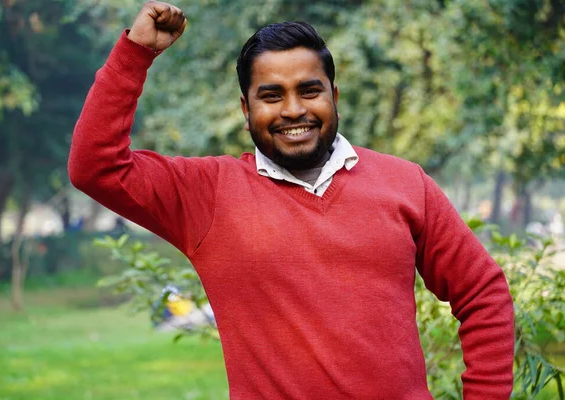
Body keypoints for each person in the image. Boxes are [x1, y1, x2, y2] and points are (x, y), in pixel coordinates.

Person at [68, 2, 514, 398]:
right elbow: (95, 166)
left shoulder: (404, 184)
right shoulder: (206, 193)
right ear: (246, 111)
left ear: (334, 97)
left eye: (309, 90)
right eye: (271, 96)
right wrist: (135, 54)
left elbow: (482, 293)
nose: (293, 110)